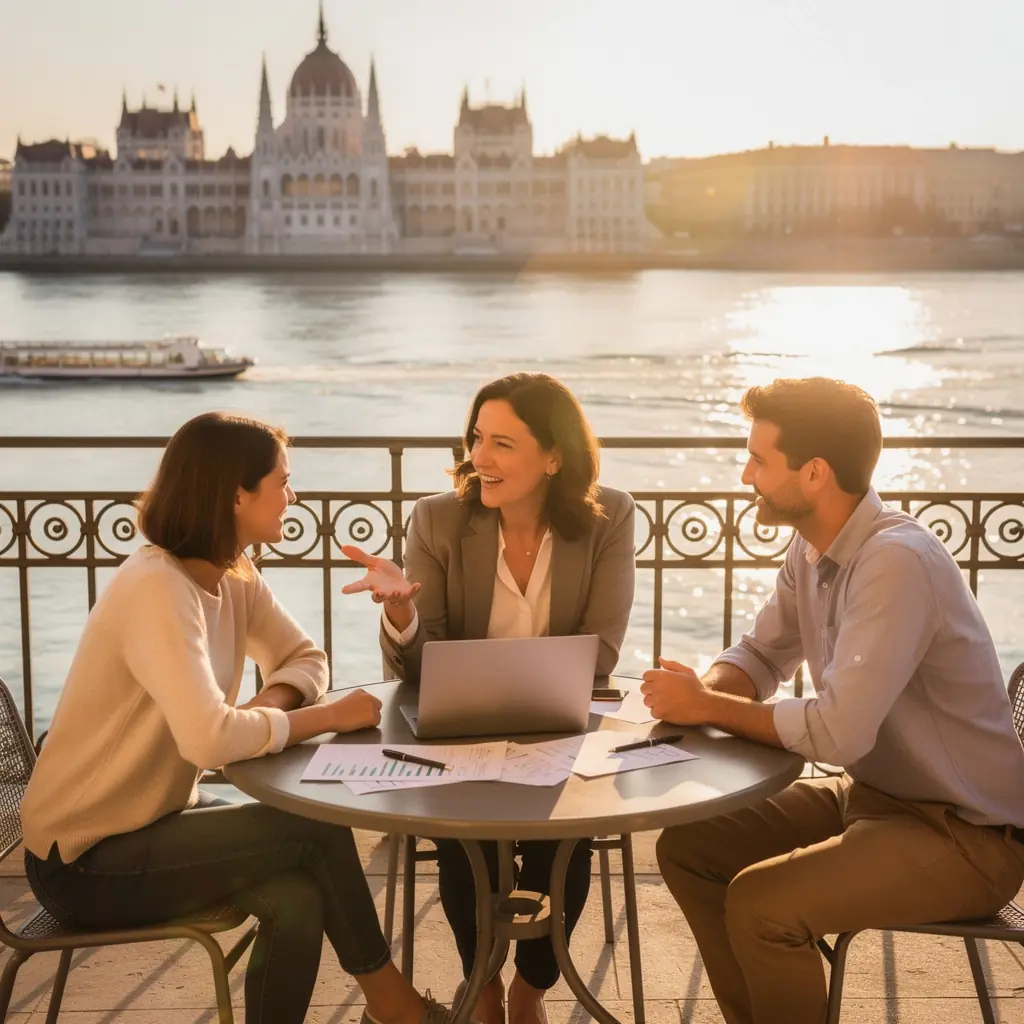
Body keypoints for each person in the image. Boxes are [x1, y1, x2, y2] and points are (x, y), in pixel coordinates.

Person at [20, 412, 466, 1024]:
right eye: (283, 482)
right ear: (236, 494)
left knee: (296, 895)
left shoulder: (233, 574)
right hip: (84, 857)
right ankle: (396, 1007)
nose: (293, 496)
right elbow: (210, 742)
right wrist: (323, 717)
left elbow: (307, 657)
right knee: (313, 829)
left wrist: (266, 706)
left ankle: (390, 1008)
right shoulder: (156, 586)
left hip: (154, 818)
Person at [641, 377, 1024, 1024]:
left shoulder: (895, 563)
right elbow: (761, 656)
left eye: (759, 460)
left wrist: (704, 708)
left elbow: (839, 733)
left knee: (762, 905)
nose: (745, 475)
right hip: (877, 801)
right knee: (688, 845)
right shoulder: (812, 546)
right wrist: (700, 690)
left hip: (967, 838)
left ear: (814, 472)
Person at [342, 373, 636, 1024]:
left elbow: (602, 653)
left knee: (568, 838)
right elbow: (420, 667)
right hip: (458, 731)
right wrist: (401, 616)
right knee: (460, 837)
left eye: (502, 442)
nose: (480, 457)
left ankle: (532, 985)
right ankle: (482, 987)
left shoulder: (610, 516)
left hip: (562, 726)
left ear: (554, 455)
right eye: (477, 438)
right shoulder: (438, 520)